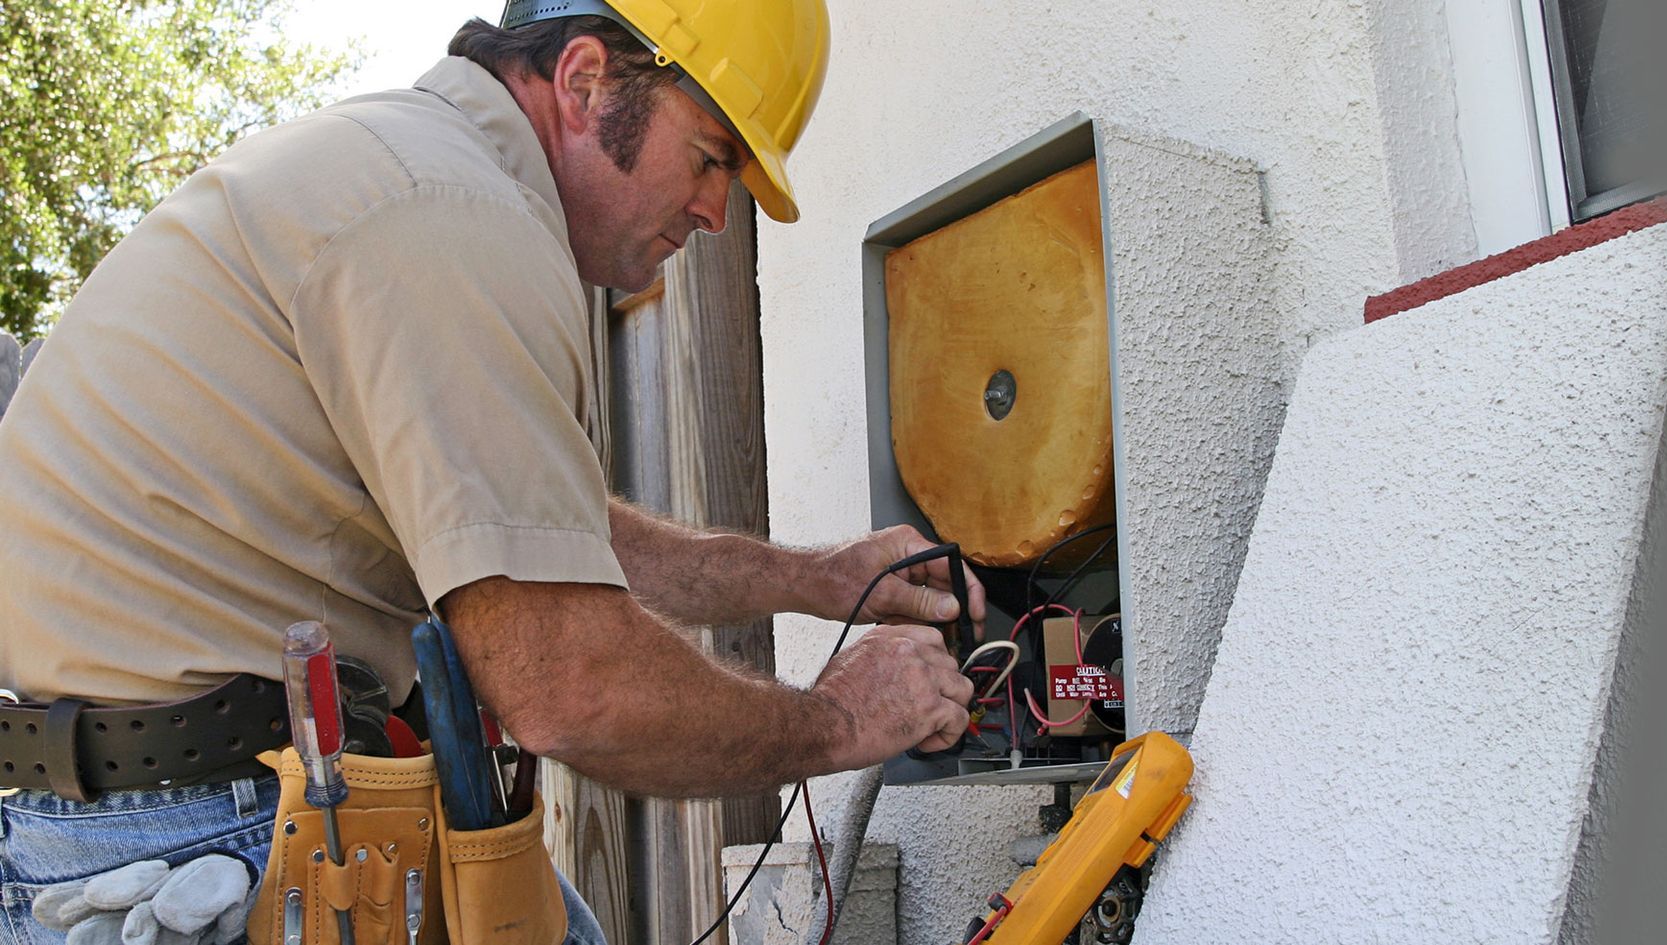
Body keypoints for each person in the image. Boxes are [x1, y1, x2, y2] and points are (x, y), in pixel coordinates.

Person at [0, 2, 978, 942]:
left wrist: (818, 579)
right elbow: (570, 684)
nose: (717, 212)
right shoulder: (452, 212)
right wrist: (844, 717)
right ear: (587, 81)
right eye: (714, 156)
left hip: (128, 823)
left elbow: (545, 532)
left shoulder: (407, 170)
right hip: (205, 840)